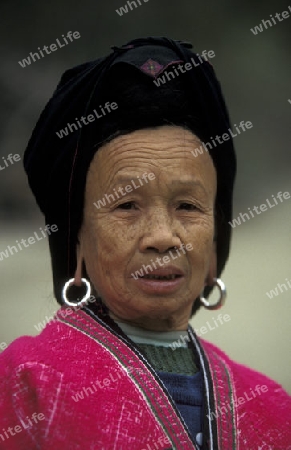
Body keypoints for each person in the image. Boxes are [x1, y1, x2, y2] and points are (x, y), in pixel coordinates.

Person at [0, 37, 290, 450]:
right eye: (127, 205)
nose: (162, 237)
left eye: (188, 206)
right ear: (77, 243)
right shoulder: (24, 385)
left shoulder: (272, 406)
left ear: (214, 242)